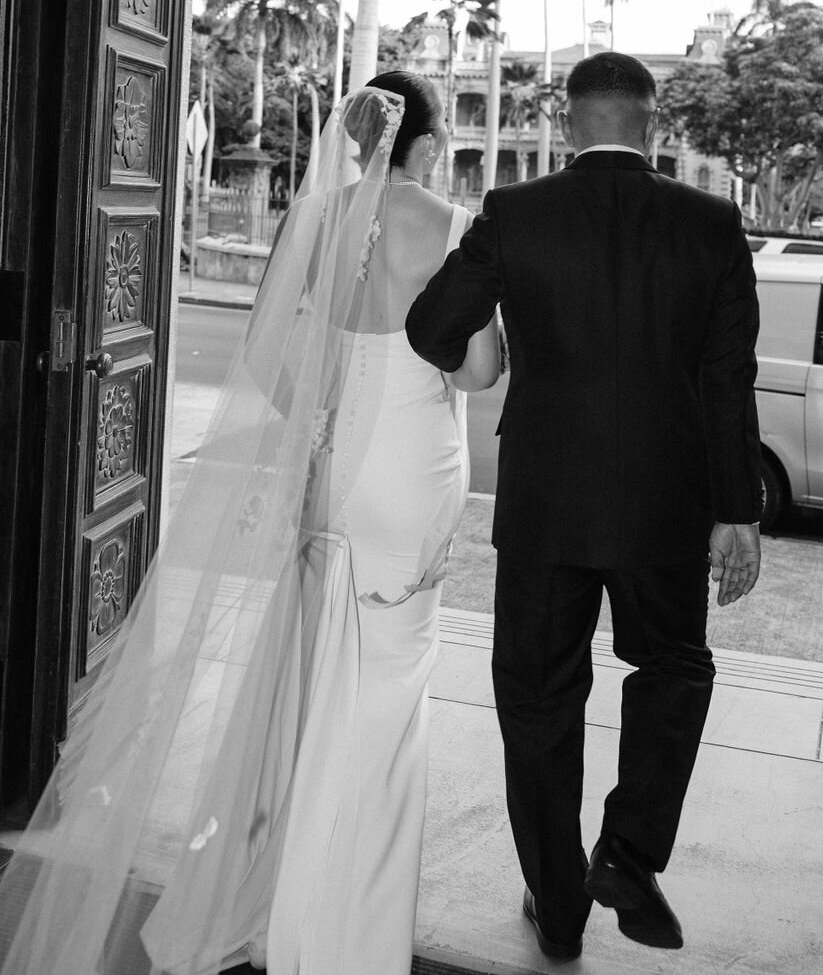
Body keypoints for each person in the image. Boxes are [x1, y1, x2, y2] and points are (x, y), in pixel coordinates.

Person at [0, 73, 500, 975]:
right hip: (410, 471)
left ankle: (297, 908)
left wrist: (319, 425)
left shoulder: (313, 221)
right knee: (388, 701)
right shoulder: (450, 224)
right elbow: (477, 375)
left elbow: (272, 356)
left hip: (333, 468)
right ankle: (355, 937)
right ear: (425, 141)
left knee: (316, 692)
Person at [406, 51, 762, 960]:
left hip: (544, 504)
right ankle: (630, 855)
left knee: (536, 703)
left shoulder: (516, 214)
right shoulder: (714, 224)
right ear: (652, 123)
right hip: (666, 509)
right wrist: (738, 513)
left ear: (569, 126)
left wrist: (517, 353)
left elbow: (433, 327)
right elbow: (730, 383)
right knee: (676, 668)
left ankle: (557, 907)